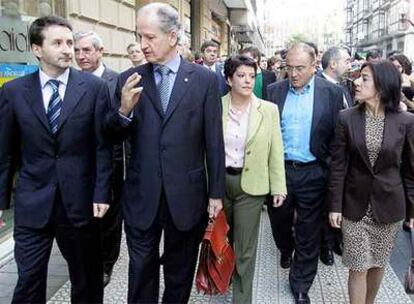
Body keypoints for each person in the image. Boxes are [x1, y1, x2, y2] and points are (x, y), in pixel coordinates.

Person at [104, 3, 225, 303]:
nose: (142, 45)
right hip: (141, 196)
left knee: (178, 272)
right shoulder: (129, 79)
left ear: (172, 36)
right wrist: (123, 111)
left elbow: (214, 140)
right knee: (141, 270)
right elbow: (111, 135)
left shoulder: (204, 80)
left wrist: (216, 194)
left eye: (149, 37)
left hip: (186, 196)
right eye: (139, 36)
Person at [0, 16, 112, 303]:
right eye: (58, 43)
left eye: (70, 43)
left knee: (86, 281)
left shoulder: (93, 88)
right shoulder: (13, 93)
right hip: (32, 203)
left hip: (79, 203)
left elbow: (101, 146)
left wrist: (101, 192)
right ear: (37, 49)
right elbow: (5, 154)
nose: (67, 50)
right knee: (28, 282)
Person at [328, 60, 414, 304]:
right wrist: (335, 205)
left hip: (389, 206)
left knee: (377, 264)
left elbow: (410, 170)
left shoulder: (405, 122)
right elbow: (338, 165)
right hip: (354, 206)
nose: (356, 82)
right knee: (358, 266)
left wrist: (412, 209)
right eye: (359, 77)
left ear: (382, 85)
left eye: (364, 78)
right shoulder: (346, 118)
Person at [267, 43, 343, 304]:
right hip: (281, 172)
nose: (294, 74)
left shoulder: (331, 93)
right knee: (279, 222)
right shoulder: (274, 91)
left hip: (313, 172)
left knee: (308, 230)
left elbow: (337, 137)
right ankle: (286, 249)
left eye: (300, 68)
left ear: (314, 67)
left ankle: (301, 283)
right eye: (289, 68)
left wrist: (329, 170)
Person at [221, 55, 287, 304]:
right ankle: (224, 275)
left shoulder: (268, 110)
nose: (248, 81)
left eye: (252, 76)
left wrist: (278, 186)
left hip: (252, 187)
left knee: (245, 248)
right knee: (223, 239)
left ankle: (242, 298)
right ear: (229, 79)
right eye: (241, 76)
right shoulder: (216, 106)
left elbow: (275, 150)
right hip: (220, 184)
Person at [74, 30, 122, 287]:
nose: (81, 56)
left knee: (110, 220)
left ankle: (106, 264)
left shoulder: (115, 80)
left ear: (100, 51)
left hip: (110, 161)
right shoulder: (68, 81)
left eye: (86, 50)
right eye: (77, 51)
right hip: (80, 164)